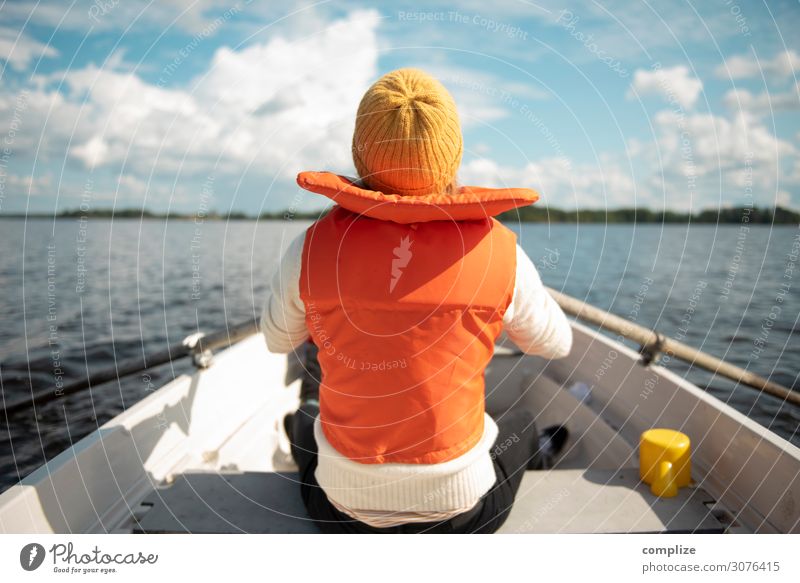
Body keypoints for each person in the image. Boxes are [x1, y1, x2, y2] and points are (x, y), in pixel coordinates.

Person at [261, 68, 573, 533]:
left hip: (341, 515)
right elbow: (555, 344)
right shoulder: (500, 251)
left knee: (307, 417)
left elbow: (276, 340)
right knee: (522, 420)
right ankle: (535, 458)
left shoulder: (310, 248)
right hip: (463, 517)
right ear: (453, 156)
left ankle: (302, 435)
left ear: (360, 154)